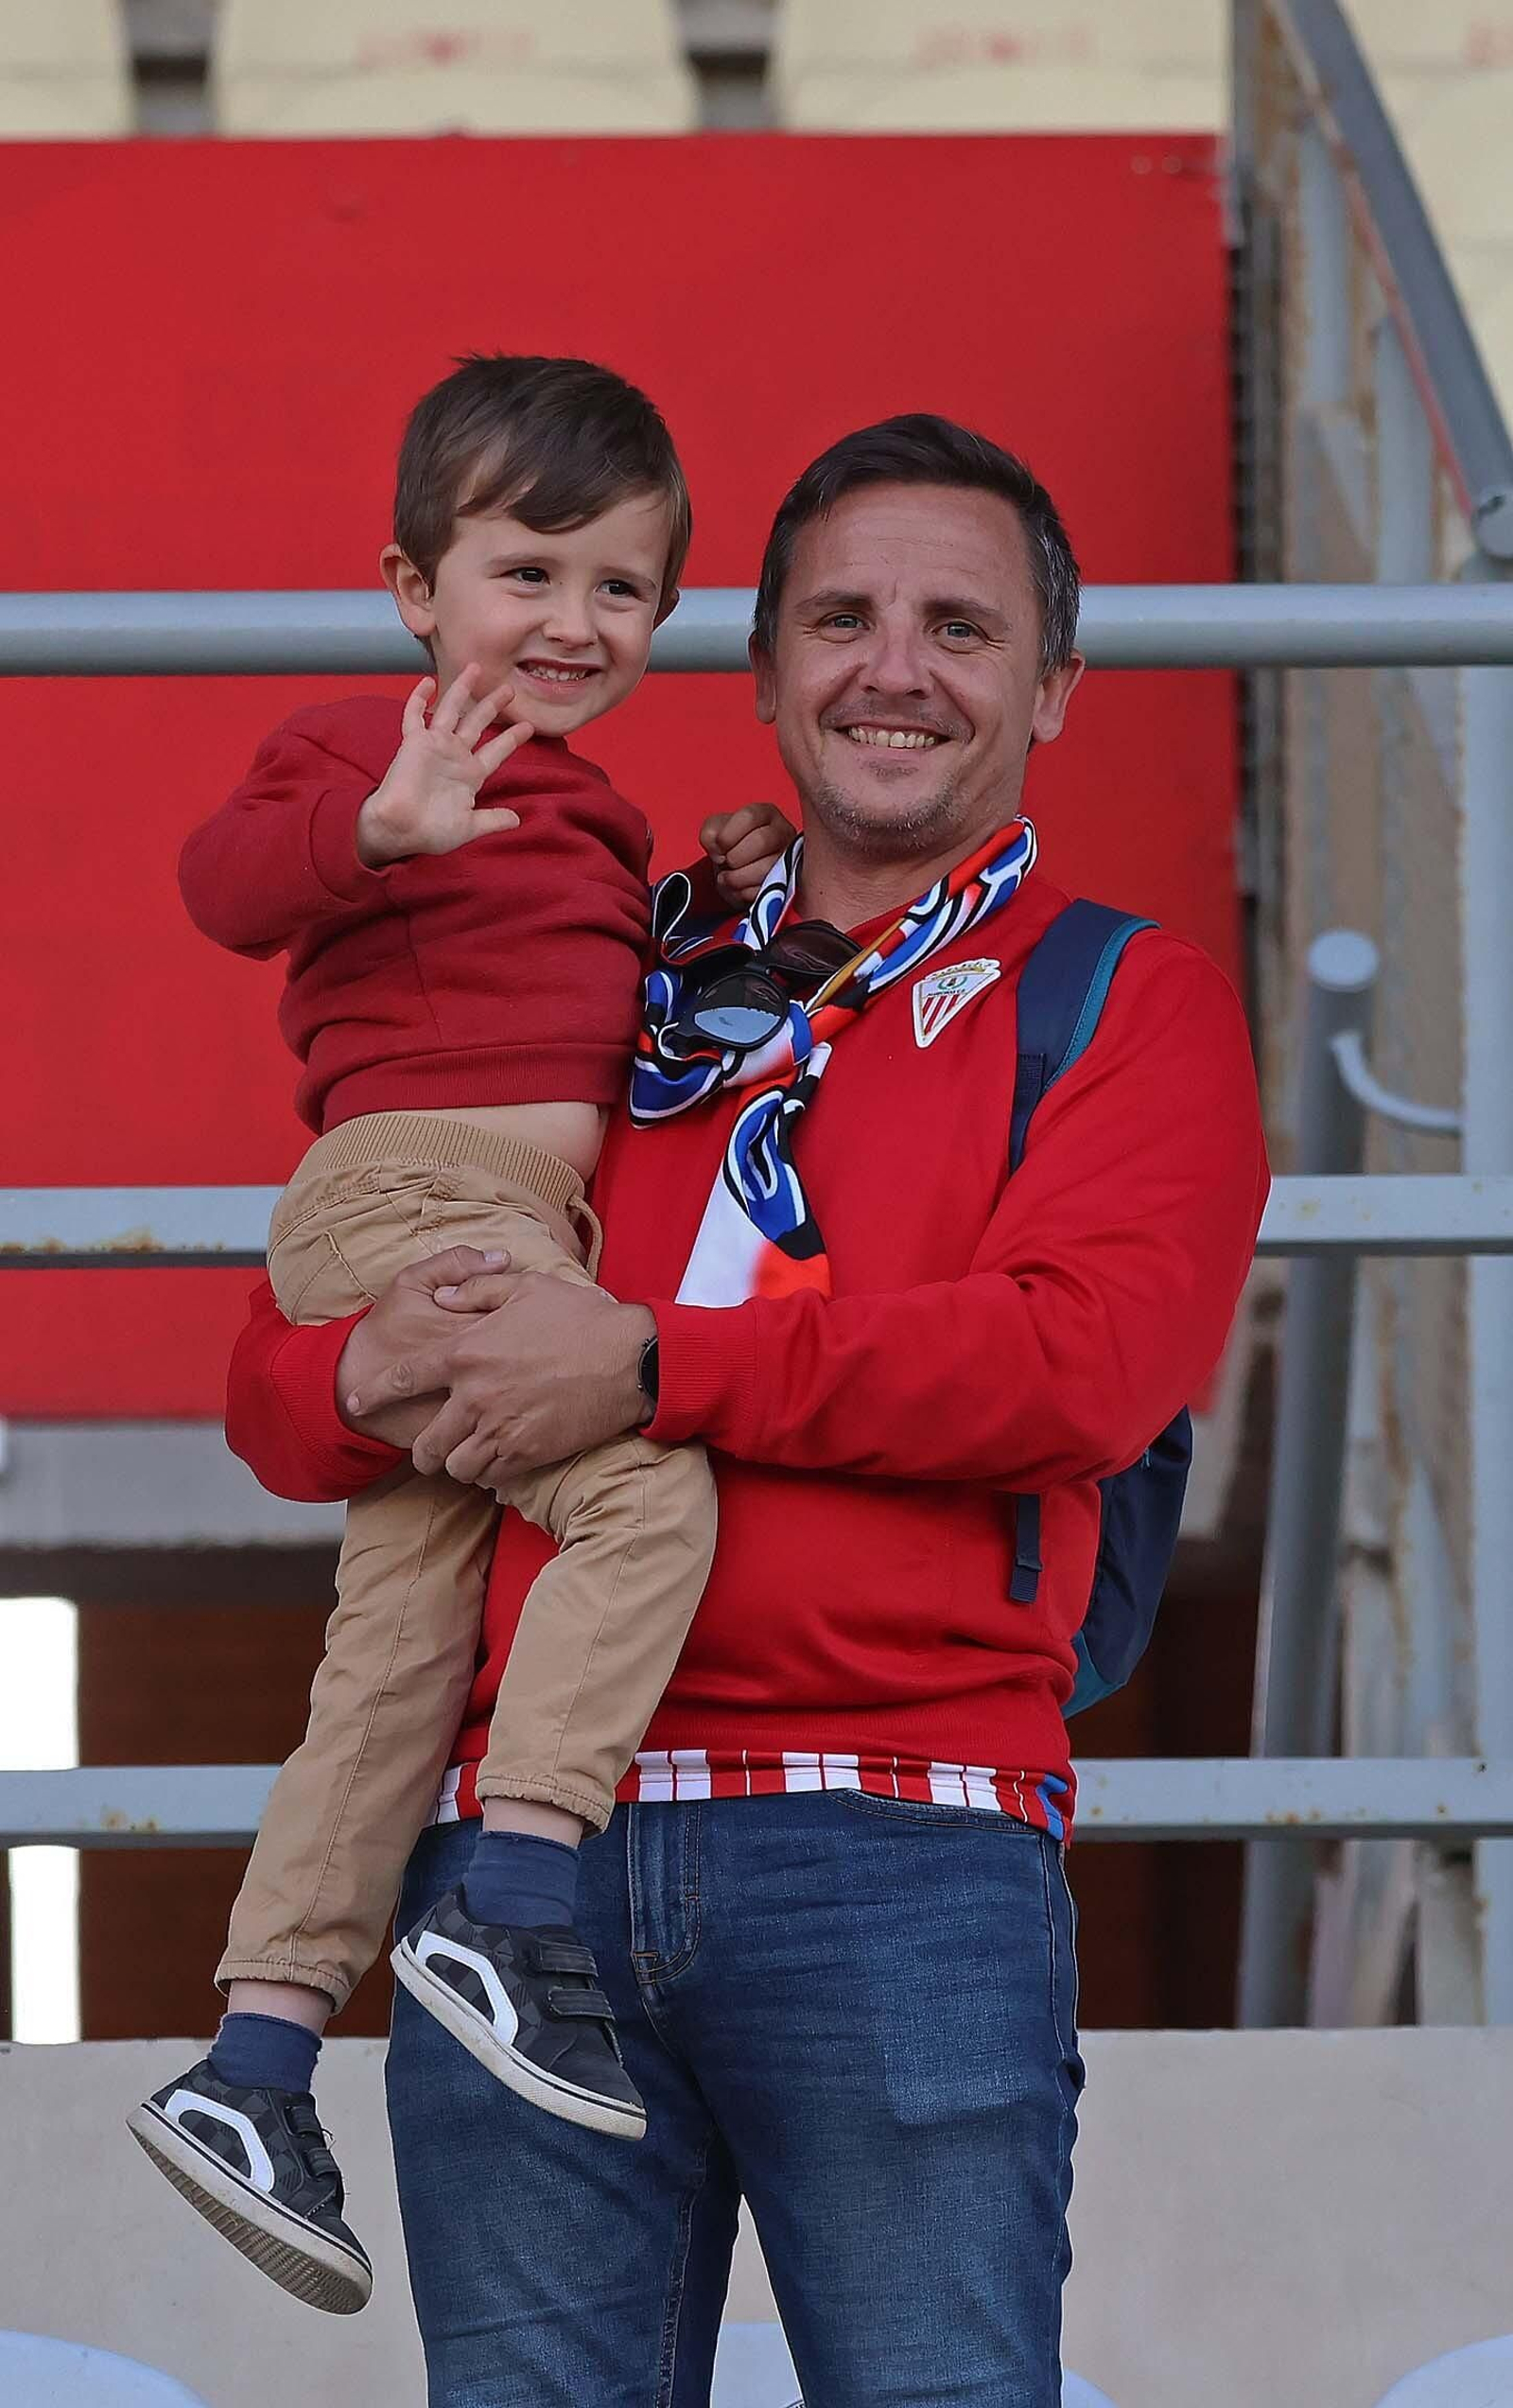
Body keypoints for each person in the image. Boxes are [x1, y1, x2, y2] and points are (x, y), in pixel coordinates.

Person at [223, 413, 1270, 2406]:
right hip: (506, 1861)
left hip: (894, 1845)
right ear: (762, 661)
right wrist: (342, 1372)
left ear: (1050, 682)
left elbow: (1075, 1365)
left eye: (957, 626)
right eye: (838, 618)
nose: (894, 665)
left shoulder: (1122, 995)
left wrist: (641, 1364)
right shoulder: (603, 971)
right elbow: (291, 1398)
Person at [128, 353, 791, 2315]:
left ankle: (257, 2055)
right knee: (646, 1498)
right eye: (524, 572)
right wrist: (380, 830)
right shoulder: (367, 743)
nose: (570, 622)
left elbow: (573, 997)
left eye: (619, 589)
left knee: (400, 1646)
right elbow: (220, 883)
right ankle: (514, 1903)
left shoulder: (591, 809)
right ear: (415, 586)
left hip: (505, 1215)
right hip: (414, 1208)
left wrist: (695, 906)